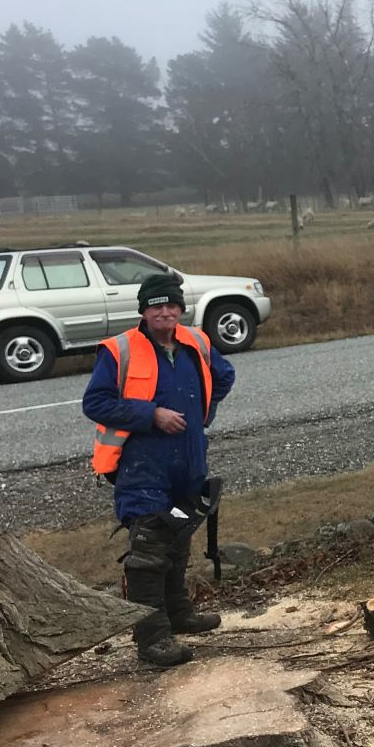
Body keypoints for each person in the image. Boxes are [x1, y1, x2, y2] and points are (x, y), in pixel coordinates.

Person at [82, 272, 236, 667]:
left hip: (189, 458)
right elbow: (95, 403)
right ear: (144, 312)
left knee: (178, 535)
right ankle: (152, 637)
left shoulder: (196, 341)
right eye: (156, 307)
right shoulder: (119, 350)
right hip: (142, 462)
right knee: (149, 548)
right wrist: (152, 415)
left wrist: (202, 415)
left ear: (180, 309)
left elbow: (223, 376)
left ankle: (179, 612)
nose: (165, 313)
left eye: (171, 305)